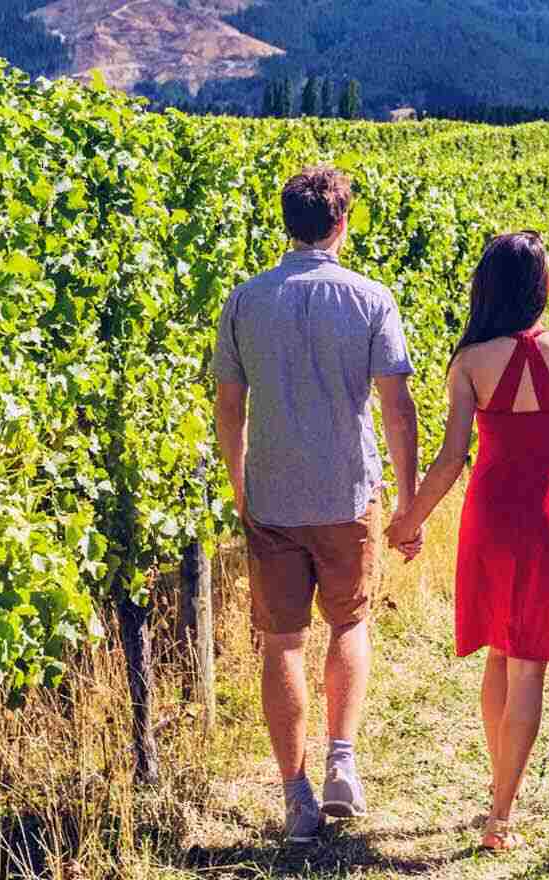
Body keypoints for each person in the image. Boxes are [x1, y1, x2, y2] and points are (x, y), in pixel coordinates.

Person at [213, 164, 422, 845]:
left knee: (282, 643)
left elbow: (229, 409)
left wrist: (243, 487)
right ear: (342, 223)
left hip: (272, 495)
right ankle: (342, 763)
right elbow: (397, 408)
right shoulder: (370, 298)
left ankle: (295, 795)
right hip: (346, 494)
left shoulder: (244, 301)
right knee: (350, 625)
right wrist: (409, 499)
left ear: (287, 222)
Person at [385, 231, 549, 851]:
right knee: (528, 661)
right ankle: (501, 812)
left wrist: (410, 520)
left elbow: (452, 459)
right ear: (543, 286)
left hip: (491, 518)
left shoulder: (469, 363)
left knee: (499, 652)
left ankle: (497, 784)